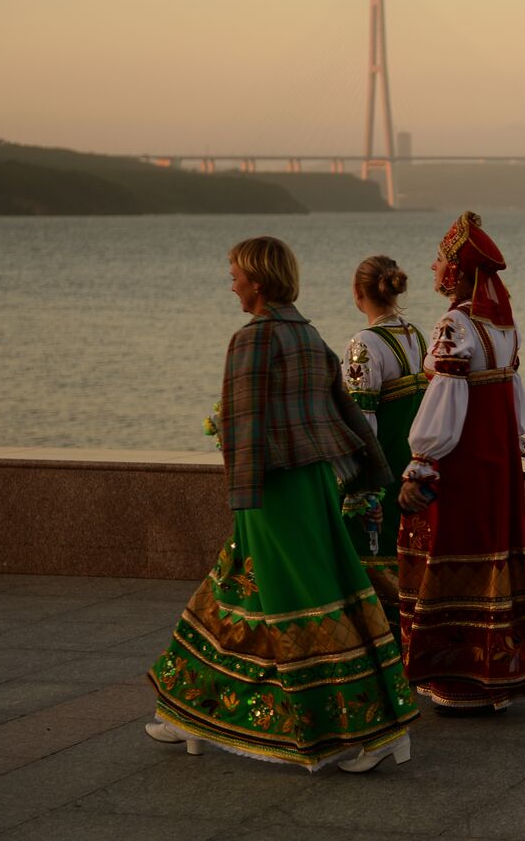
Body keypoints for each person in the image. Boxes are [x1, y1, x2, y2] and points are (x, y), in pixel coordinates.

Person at [146, 236, 418, 773]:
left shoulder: (253, 340)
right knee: (252, 591)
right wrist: (367, 479)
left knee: (297, 605)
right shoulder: (310, 336)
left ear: (258, 281)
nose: (231, 283)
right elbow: (341, 413)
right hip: (314, 483)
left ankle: (375, 728)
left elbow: (244, 427)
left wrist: (241, 503)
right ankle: (190, 715)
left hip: (271, 490)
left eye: (235, 274)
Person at [396, 212, 525, 710]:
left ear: (456, 272)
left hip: (462, 463)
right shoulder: (503, 325)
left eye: (439, 260)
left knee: (454, 552)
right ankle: (500, 671)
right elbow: (513, 396)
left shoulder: (454, 325)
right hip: (498, 461)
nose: (433, 267)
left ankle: (462, 678)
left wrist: (421, 462)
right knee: (496, 551)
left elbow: (445, 401)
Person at [340, 255, 430, 640]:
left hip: (380, 471)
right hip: (412, 467)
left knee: (366, 558)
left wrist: (357, 486)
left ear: (358, 293)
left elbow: (361, 421)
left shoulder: (364, 345)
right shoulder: (418, 336)